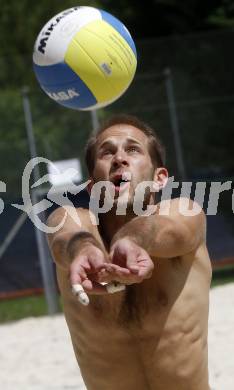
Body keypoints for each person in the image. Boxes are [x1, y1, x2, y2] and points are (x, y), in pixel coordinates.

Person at [47, 114, 212, 390]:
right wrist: (83, 248)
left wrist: (132, 239)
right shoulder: (73, 221)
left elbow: (170, 228)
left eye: (132, 149)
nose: (119, 158)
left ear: (160, 178)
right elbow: (64, 234)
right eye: (107, 151)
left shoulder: (184, 213)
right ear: (91, 186)